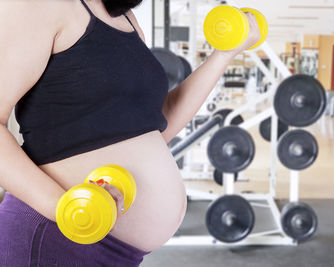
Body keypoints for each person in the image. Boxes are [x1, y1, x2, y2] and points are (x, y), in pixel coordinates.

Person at [0, 0, 261, 265]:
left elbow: (154, 122)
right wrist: (65, 208)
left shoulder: (126, 18)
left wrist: (224, 54)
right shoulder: (38, 5)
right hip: (60, 236)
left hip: (119, 252)